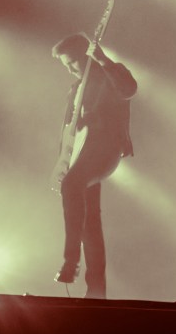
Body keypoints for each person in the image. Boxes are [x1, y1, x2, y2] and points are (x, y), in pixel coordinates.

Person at [49, 32, 137, 299]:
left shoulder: (109, 73)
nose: (69, 69)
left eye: (73, 62)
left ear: (84, 55)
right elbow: (68, 130)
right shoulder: (75, 89)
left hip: (106, 147)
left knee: (73, 185)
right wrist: (62, 160)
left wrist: (103, 60)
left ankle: (70, 260)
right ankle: (96, 289)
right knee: (89, 220)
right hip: (81, 154)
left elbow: (128, 89)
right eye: (65, 65)